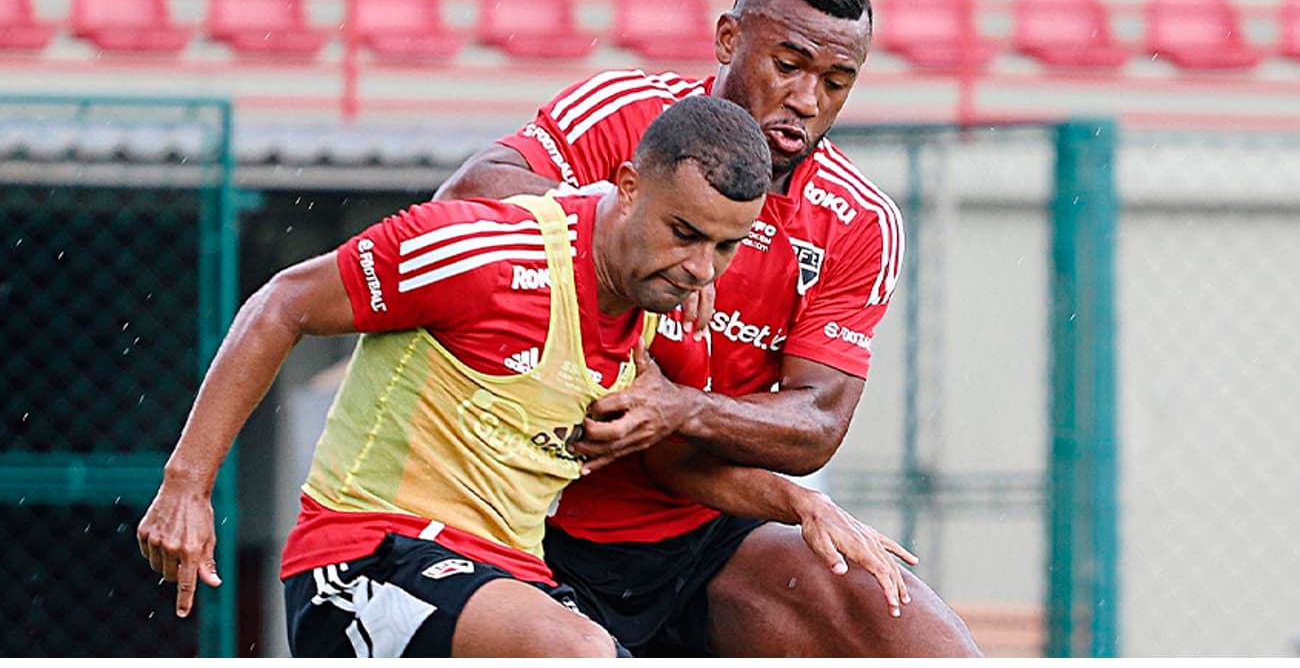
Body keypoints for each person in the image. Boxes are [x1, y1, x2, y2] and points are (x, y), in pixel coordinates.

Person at [135, 97, 914, 657]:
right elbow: (282, 303)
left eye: (724, 248)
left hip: (511, 581)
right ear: (628, 185)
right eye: (685, 234)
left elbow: (674, 460)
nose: (699, 269)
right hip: (367, 562)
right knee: (576, 656)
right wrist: (187, 483)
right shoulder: (486, 253)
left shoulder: (653, 312)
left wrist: (800, 503)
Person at [434, 0, 982, 657]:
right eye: (787, 65)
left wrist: (683, 407)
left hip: (700, 529)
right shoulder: (625, 117)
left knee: (912, 631)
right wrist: (647, 234)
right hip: (515, 512)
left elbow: (816, 423)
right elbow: (467, 198)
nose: (807, 100)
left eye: (837, 80)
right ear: (729, 38)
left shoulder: (859, 221)